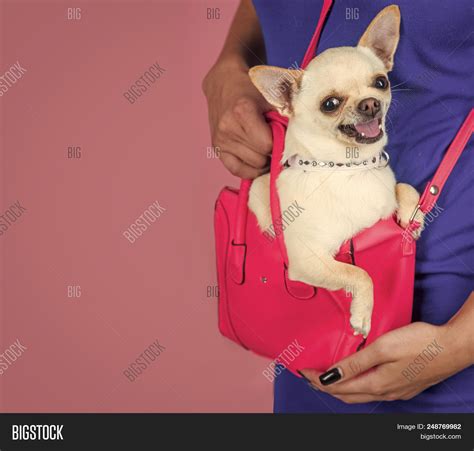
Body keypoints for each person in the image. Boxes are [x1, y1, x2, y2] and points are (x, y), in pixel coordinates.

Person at [203, 0, 474, 413]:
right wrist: (229, 65)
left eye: (377, 86)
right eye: (333, 102)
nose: (368, 104)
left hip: (443, 335)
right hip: (307, 327)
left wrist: (458, 345)